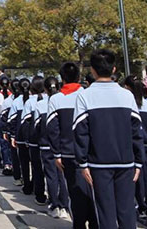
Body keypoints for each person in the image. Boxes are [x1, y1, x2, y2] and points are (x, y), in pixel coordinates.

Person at [73, 49, 144, 229]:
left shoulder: (85, 95)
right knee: (127, 211)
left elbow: (80, 132)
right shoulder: (126, 95)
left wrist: (82, 163)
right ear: (114, 69)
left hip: (98, 163)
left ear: (92, 71)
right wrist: (139, 161)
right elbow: (137, 131)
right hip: (126, 162)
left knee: (105, 212)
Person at [47, 62, 97, 228]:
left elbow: (53, 129)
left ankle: (79, 224)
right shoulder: (89, 95)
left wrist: (56, 154)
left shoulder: (56, 99)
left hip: (68, 153)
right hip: (91, 153)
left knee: (75, 193)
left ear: (62, 78)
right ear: (79, 76)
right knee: (94, 191)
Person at [124, 75, 147, 220]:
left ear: (128, 87)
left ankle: (140, 205)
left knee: (136, 177)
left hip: (133, 145)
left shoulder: (127, 104)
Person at [37, 76, 69, 219]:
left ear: (45, 89)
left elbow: (37, 127)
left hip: (46, 145)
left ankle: (54, 204)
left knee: (51, 176)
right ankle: (64, 204)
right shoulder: (66, 100)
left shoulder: (40, 104)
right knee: (62, 176)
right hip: (63, 146)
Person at [24, 76, 47, 205]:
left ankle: (39, 194)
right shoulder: (51, 99)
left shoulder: (30, 102)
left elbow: (27, 122)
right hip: (49, 140)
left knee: (37, 167)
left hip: (34, 140)